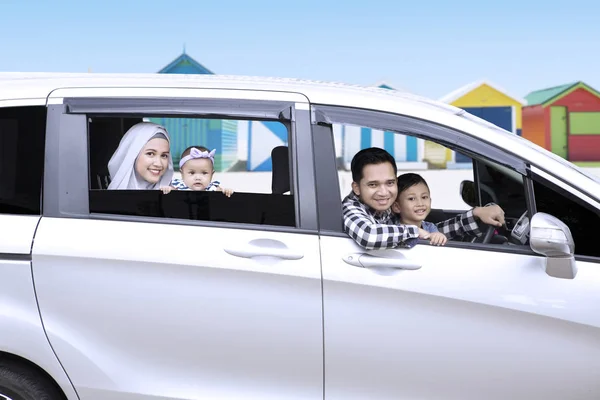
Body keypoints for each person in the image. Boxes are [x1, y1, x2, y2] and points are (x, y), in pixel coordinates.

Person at [342, 147, 505, 250]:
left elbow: (431, 233)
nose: (384, 192)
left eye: (390, 183)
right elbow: (369, 236)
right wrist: (416, 231)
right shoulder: (350, 209)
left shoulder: (382, 207)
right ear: (356, 188)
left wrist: (475, 213)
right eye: (373, 185)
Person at [107, 122, 174, 190]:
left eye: (164, 155)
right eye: (150, 153)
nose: (158, 164)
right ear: (133, 155)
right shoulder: (112, 198)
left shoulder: (175, 194)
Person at [392, 173, 447, 246]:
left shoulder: (430, 227)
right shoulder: (394, 229)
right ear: (397, 207)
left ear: (430, 200)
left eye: (424, 197)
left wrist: (439, 237)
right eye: (411, 199)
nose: (420, 203)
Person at [160, 146, 234, 197]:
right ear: (182, 174)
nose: (198, 177)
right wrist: (167, 189)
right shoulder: (178, 186)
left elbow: (222, 193)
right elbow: (170, 190)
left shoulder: (212, 188)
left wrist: (226, 191)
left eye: (204, 173)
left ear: (212, 174)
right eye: (192, 173)